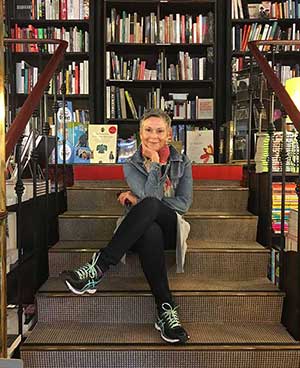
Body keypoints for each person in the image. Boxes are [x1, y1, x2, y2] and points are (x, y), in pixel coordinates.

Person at [61, 108, 193, 344]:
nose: (154, 136)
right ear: (140, 133)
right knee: (150, 230)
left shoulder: (182, 162)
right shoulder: (131, 164)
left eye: (160, 131)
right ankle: (166, 308)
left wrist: (143, 193)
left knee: (151, 205)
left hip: (172, 224)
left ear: (169, 134)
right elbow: (151, 197)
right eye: (148, 130)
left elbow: (182, 204)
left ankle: (99, 266)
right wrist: (152, 175)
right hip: (141, 230)